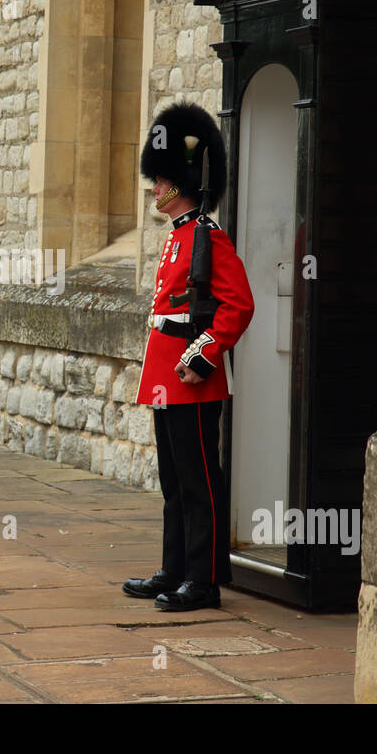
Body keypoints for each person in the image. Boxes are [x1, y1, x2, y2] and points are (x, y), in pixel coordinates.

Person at [123, 101, 255, 611]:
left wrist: (203, 355)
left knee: (199, 481)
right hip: (165, 376)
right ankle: (174, 568)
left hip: (191, 376)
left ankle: (203, 579)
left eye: (159, 180)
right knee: (174, 483)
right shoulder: (178, 239)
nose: (154, 187)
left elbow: (238, 306)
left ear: (178, 183)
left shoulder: (208, 237)